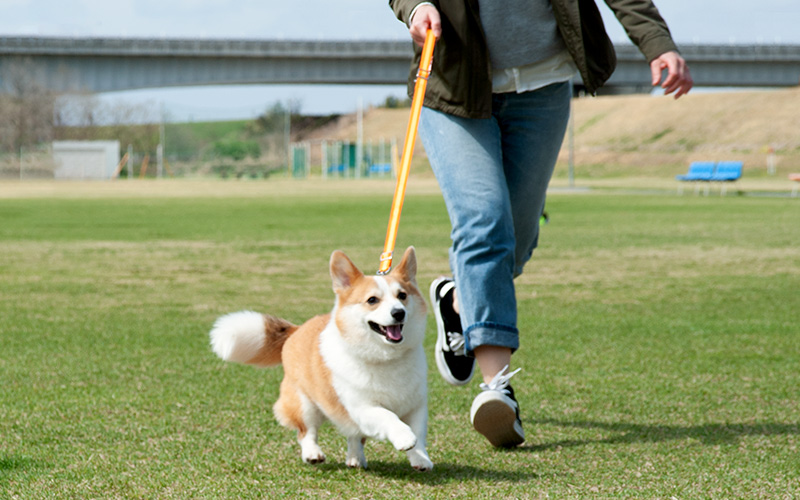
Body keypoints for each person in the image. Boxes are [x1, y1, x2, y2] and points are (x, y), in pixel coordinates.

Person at [389, 0, 693, 448]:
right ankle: (498, 389)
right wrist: (415, 6)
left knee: (516, 238)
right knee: (484, 222)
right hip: (454, 85)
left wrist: (657, 42)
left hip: (544, 86)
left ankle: (457, 301)